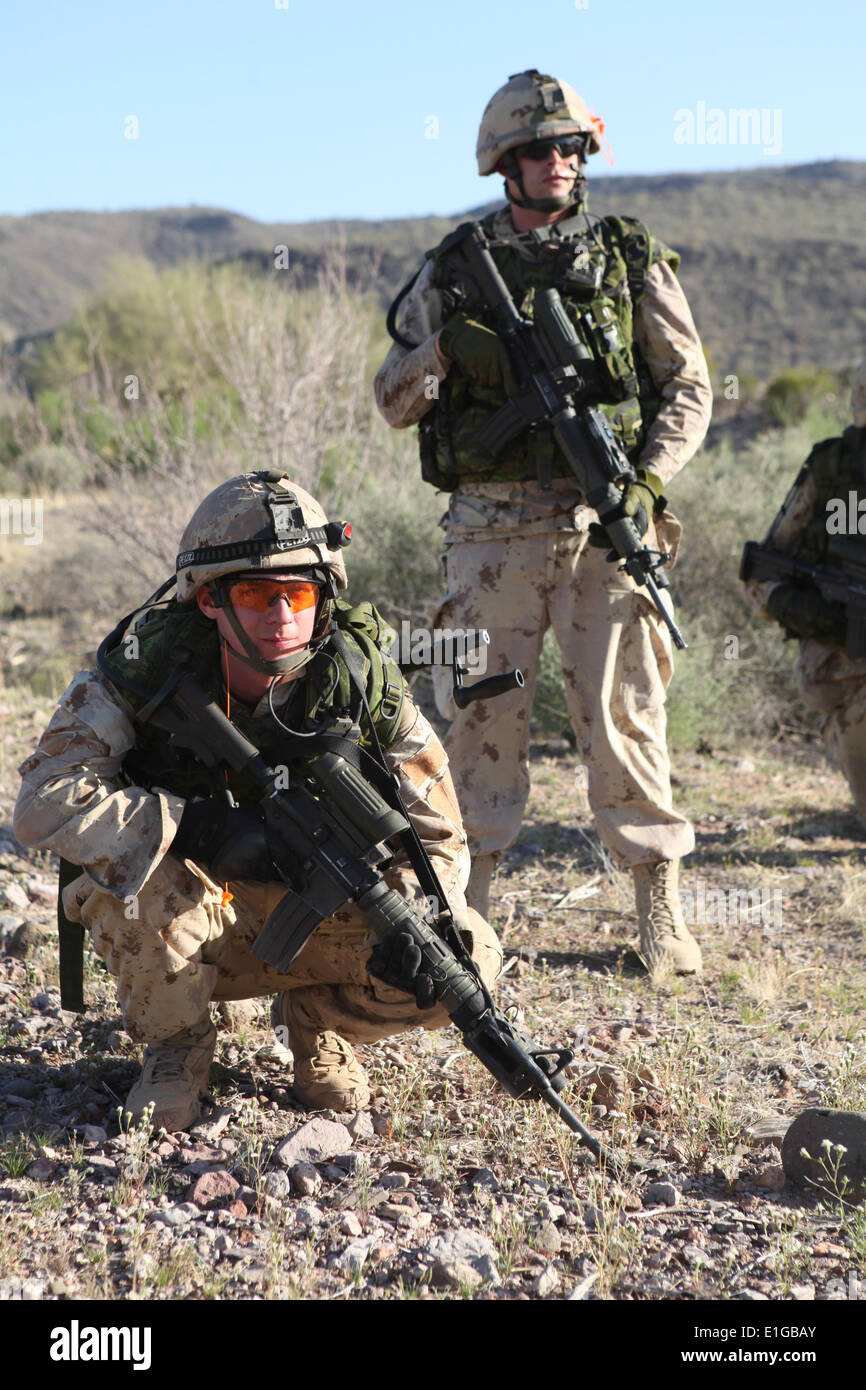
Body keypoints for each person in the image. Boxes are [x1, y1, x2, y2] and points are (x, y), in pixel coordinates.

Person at [13, 470, 501, 1131]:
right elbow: (43, 800)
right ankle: (179, 1044)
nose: (281, 616)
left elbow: (441, 837)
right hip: (196, 916)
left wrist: (415, 910)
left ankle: (318, 1025)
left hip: (324, 915)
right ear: (210, 600)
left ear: (323, 597)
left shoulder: (357, 677)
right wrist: (189, 826)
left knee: (465, 949)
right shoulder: (147, 671)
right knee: (133, 887)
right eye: (255, 593)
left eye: (298, 594)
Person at [374, 69, 712, 973]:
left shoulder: (628, 254)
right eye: (536, 149)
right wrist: (445, 352)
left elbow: (688, 387)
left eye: (569, 146)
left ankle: (658, 909)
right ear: (503, 163)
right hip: (491, 534)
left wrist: (644, 484)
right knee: (480, 716)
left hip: (607, 527)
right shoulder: (453, 267)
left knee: (627, 714)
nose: (556, 161)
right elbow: (392, 399)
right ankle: (465, 912)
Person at [744, 360, 866, 817]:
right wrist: (793, 604)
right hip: (842, 661)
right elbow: (762, 572)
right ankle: (846, 739)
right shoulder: (835, 470)